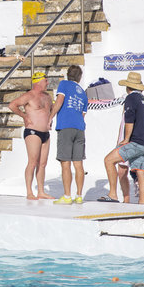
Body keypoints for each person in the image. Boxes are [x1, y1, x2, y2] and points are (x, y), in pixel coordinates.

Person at [100, 71, 144, 204]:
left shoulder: (131, 98)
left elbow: (129, 120)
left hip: (135, 143)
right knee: (141, 172)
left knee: (108, 161)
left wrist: (126, 138)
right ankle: (141, 204)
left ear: (128, 87)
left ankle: (113, 194)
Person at [8, 72, 55, 200]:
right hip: (33, 132)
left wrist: (50, 120)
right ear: (38, 82)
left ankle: (41, 191)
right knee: (33, 162)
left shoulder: (47, 96)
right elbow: (12, 105)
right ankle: (29, 192)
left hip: (46, 133)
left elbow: (51, 110)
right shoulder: (29, 95)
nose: (47, 83)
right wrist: (24, 116)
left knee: (42, 164)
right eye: (45, 81)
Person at [51, 64, 88, 204]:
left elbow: (59, 101)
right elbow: (83, 113)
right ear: (79, 77)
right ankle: (79, 196)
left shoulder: (64, 84)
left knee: (65, 164)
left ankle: (67, 196)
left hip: (66, 126)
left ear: (68, 75)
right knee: (78, 164)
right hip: (79, 128)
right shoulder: (83, 93)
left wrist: (50, 117)